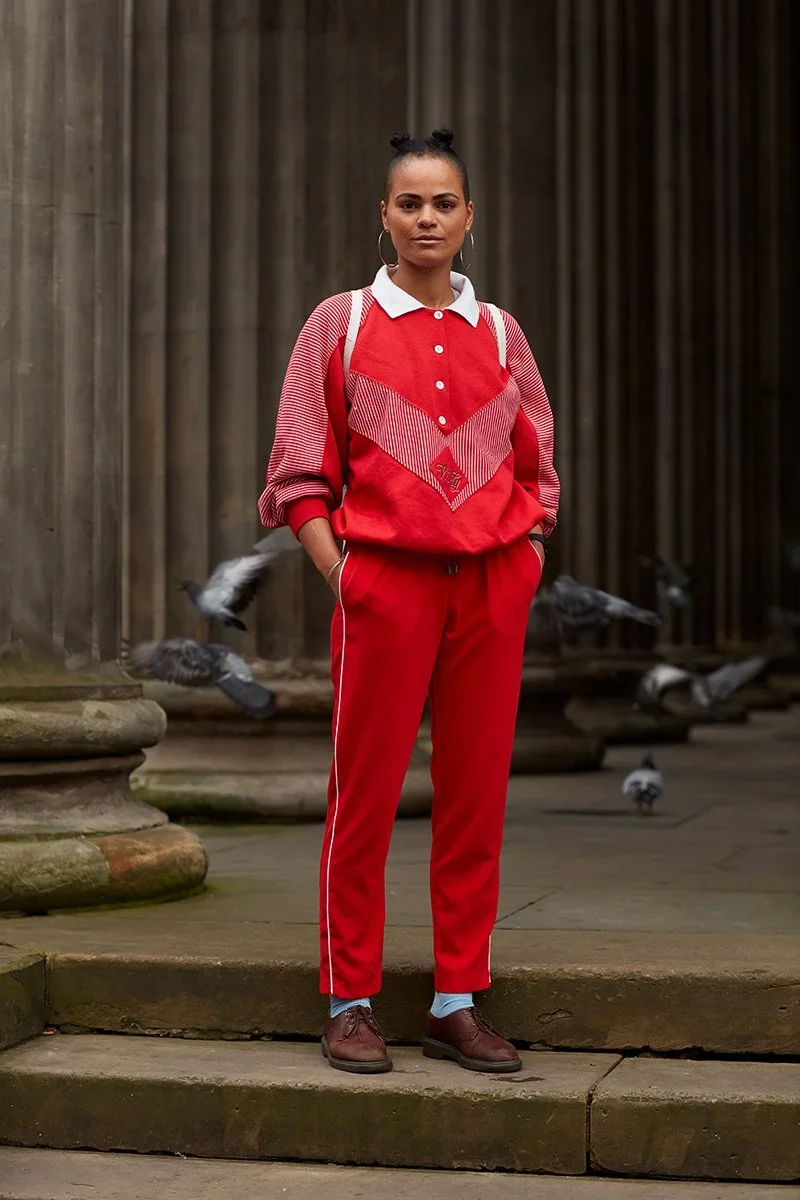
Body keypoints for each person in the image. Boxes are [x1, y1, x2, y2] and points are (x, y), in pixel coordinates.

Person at [259, 129, 559, 1075]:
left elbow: (537, 466)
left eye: (443, 203)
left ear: (469, 218)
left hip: (490, 586)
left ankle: (457, 1000)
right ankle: (350, 1000)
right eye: (408, 203)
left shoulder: (501, 333)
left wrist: (529, 553)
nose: (425, 218)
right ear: (383, 214)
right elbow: (298, 471)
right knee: (366, 794)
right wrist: (343, 573)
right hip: (383, 585)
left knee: (474, 797)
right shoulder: (339, 324)